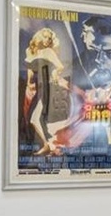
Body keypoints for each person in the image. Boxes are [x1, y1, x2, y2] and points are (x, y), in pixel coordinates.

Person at [21, 28, 74, 157]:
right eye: (45, 37)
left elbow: (60, 66)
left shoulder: (48, 52)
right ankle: (49, 146)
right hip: (37, 87)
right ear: (39, 36)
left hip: (47, 87)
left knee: (36, 118)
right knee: (34, 119)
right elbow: (29, 69)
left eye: (50, 38)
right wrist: (28, 82)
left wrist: (55, 73)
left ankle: (50, 146)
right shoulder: (29, 51)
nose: (47, 40)